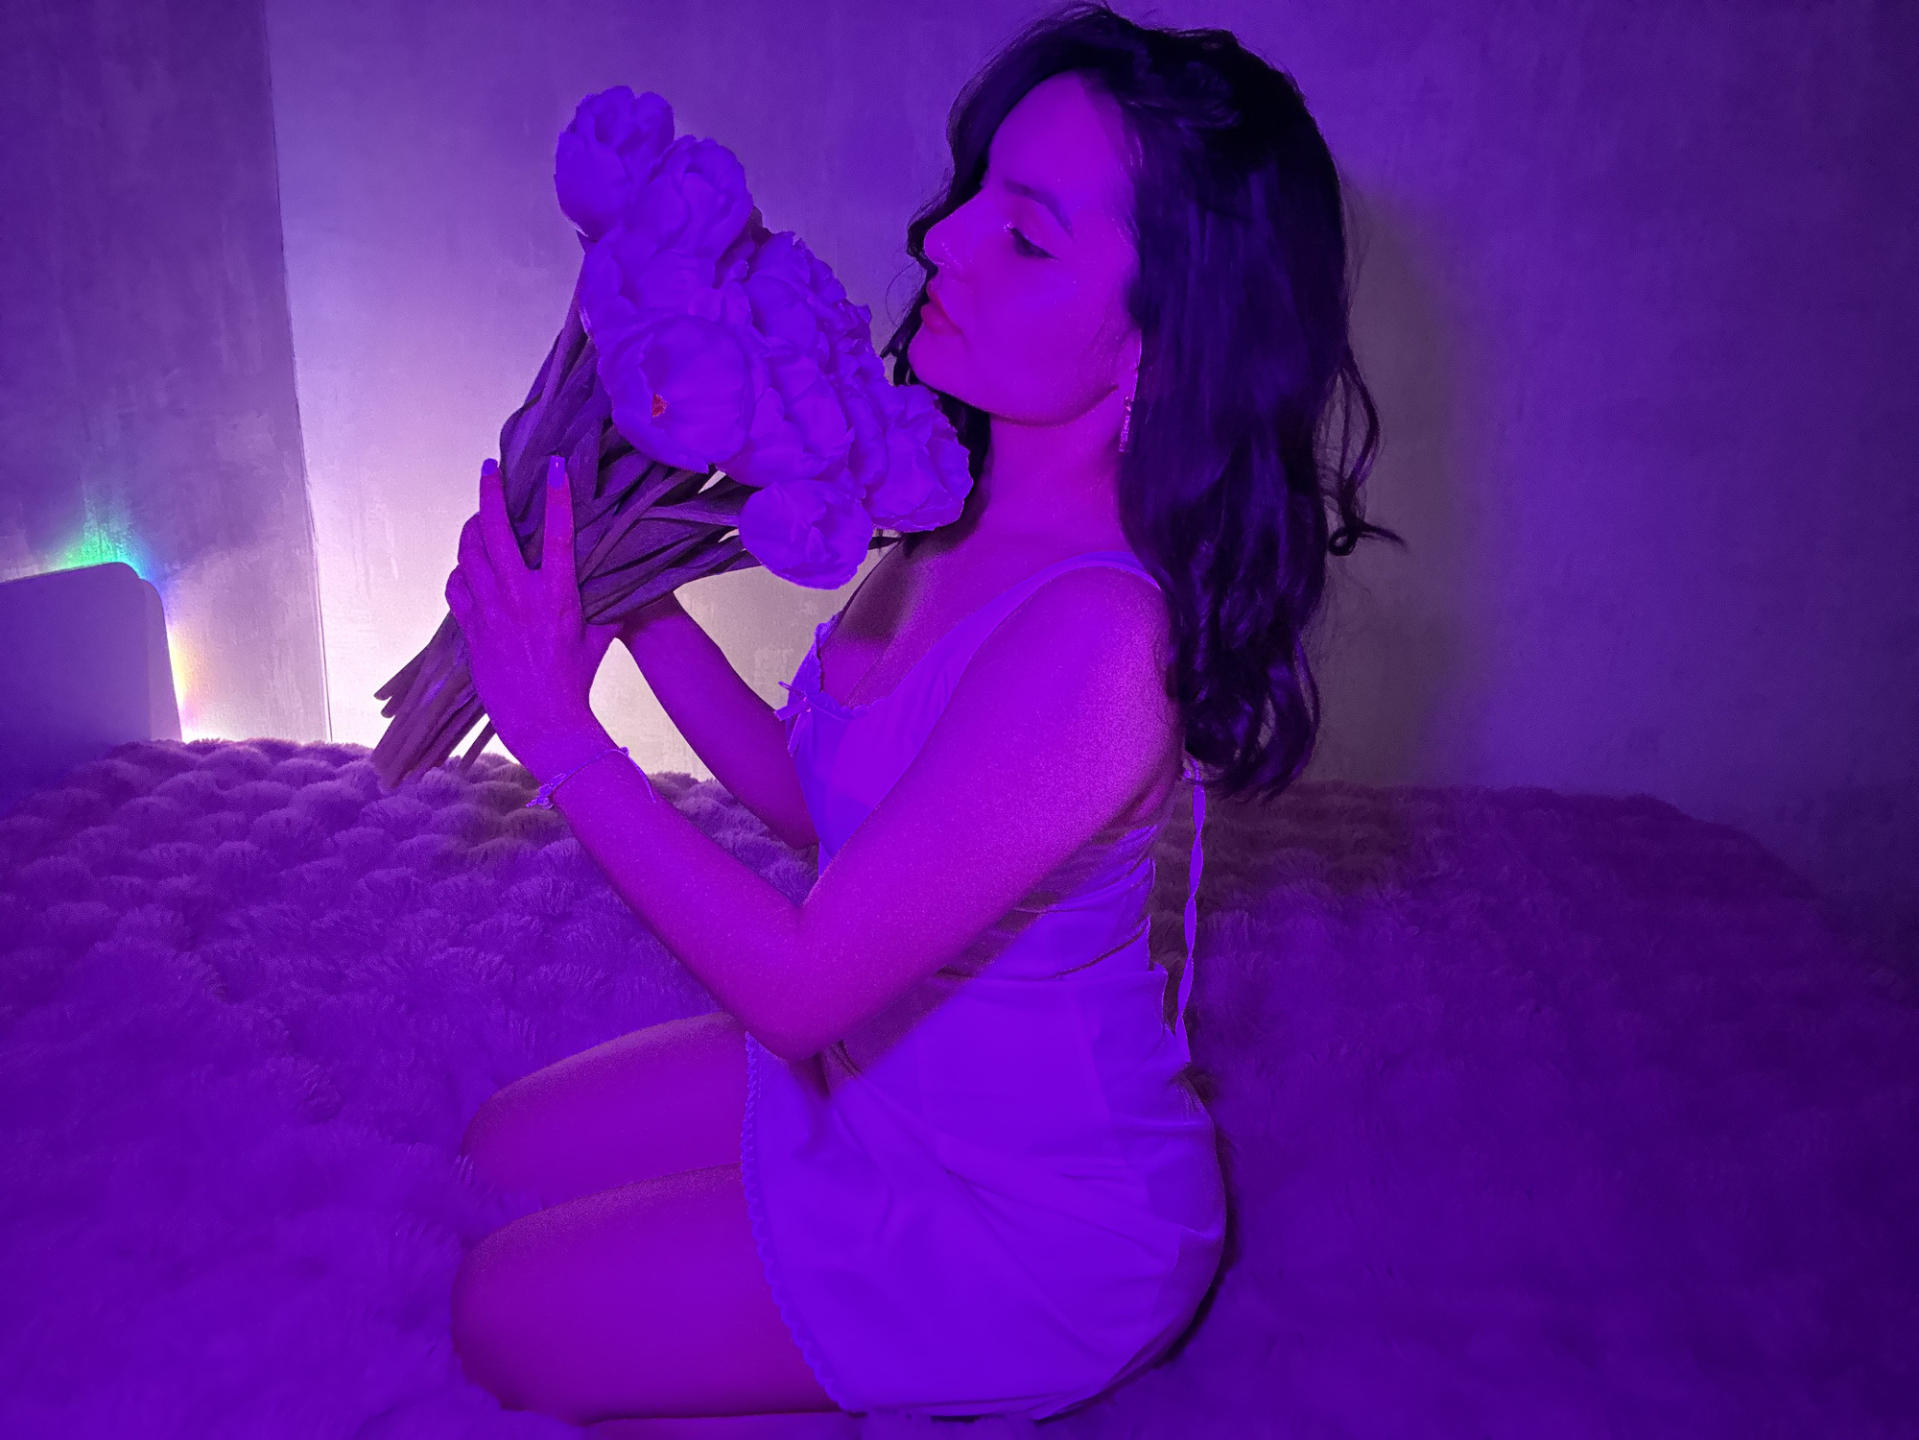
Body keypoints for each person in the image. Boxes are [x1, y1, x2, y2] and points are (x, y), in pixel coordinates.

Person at [451, 2, 1404, 1426]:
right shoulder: (953, 517)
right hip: (875, 1071)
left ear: (1159, 341)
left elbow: (798, 985)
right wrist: (623, 602)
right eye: (976, 196)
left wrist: (559, 740)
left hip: (1033, 1224)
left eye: (1026, 236)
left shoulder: (1101, 638)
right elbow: (815, 799)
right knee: (494, 1150)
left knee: (497, 1313)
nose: (943, 240)